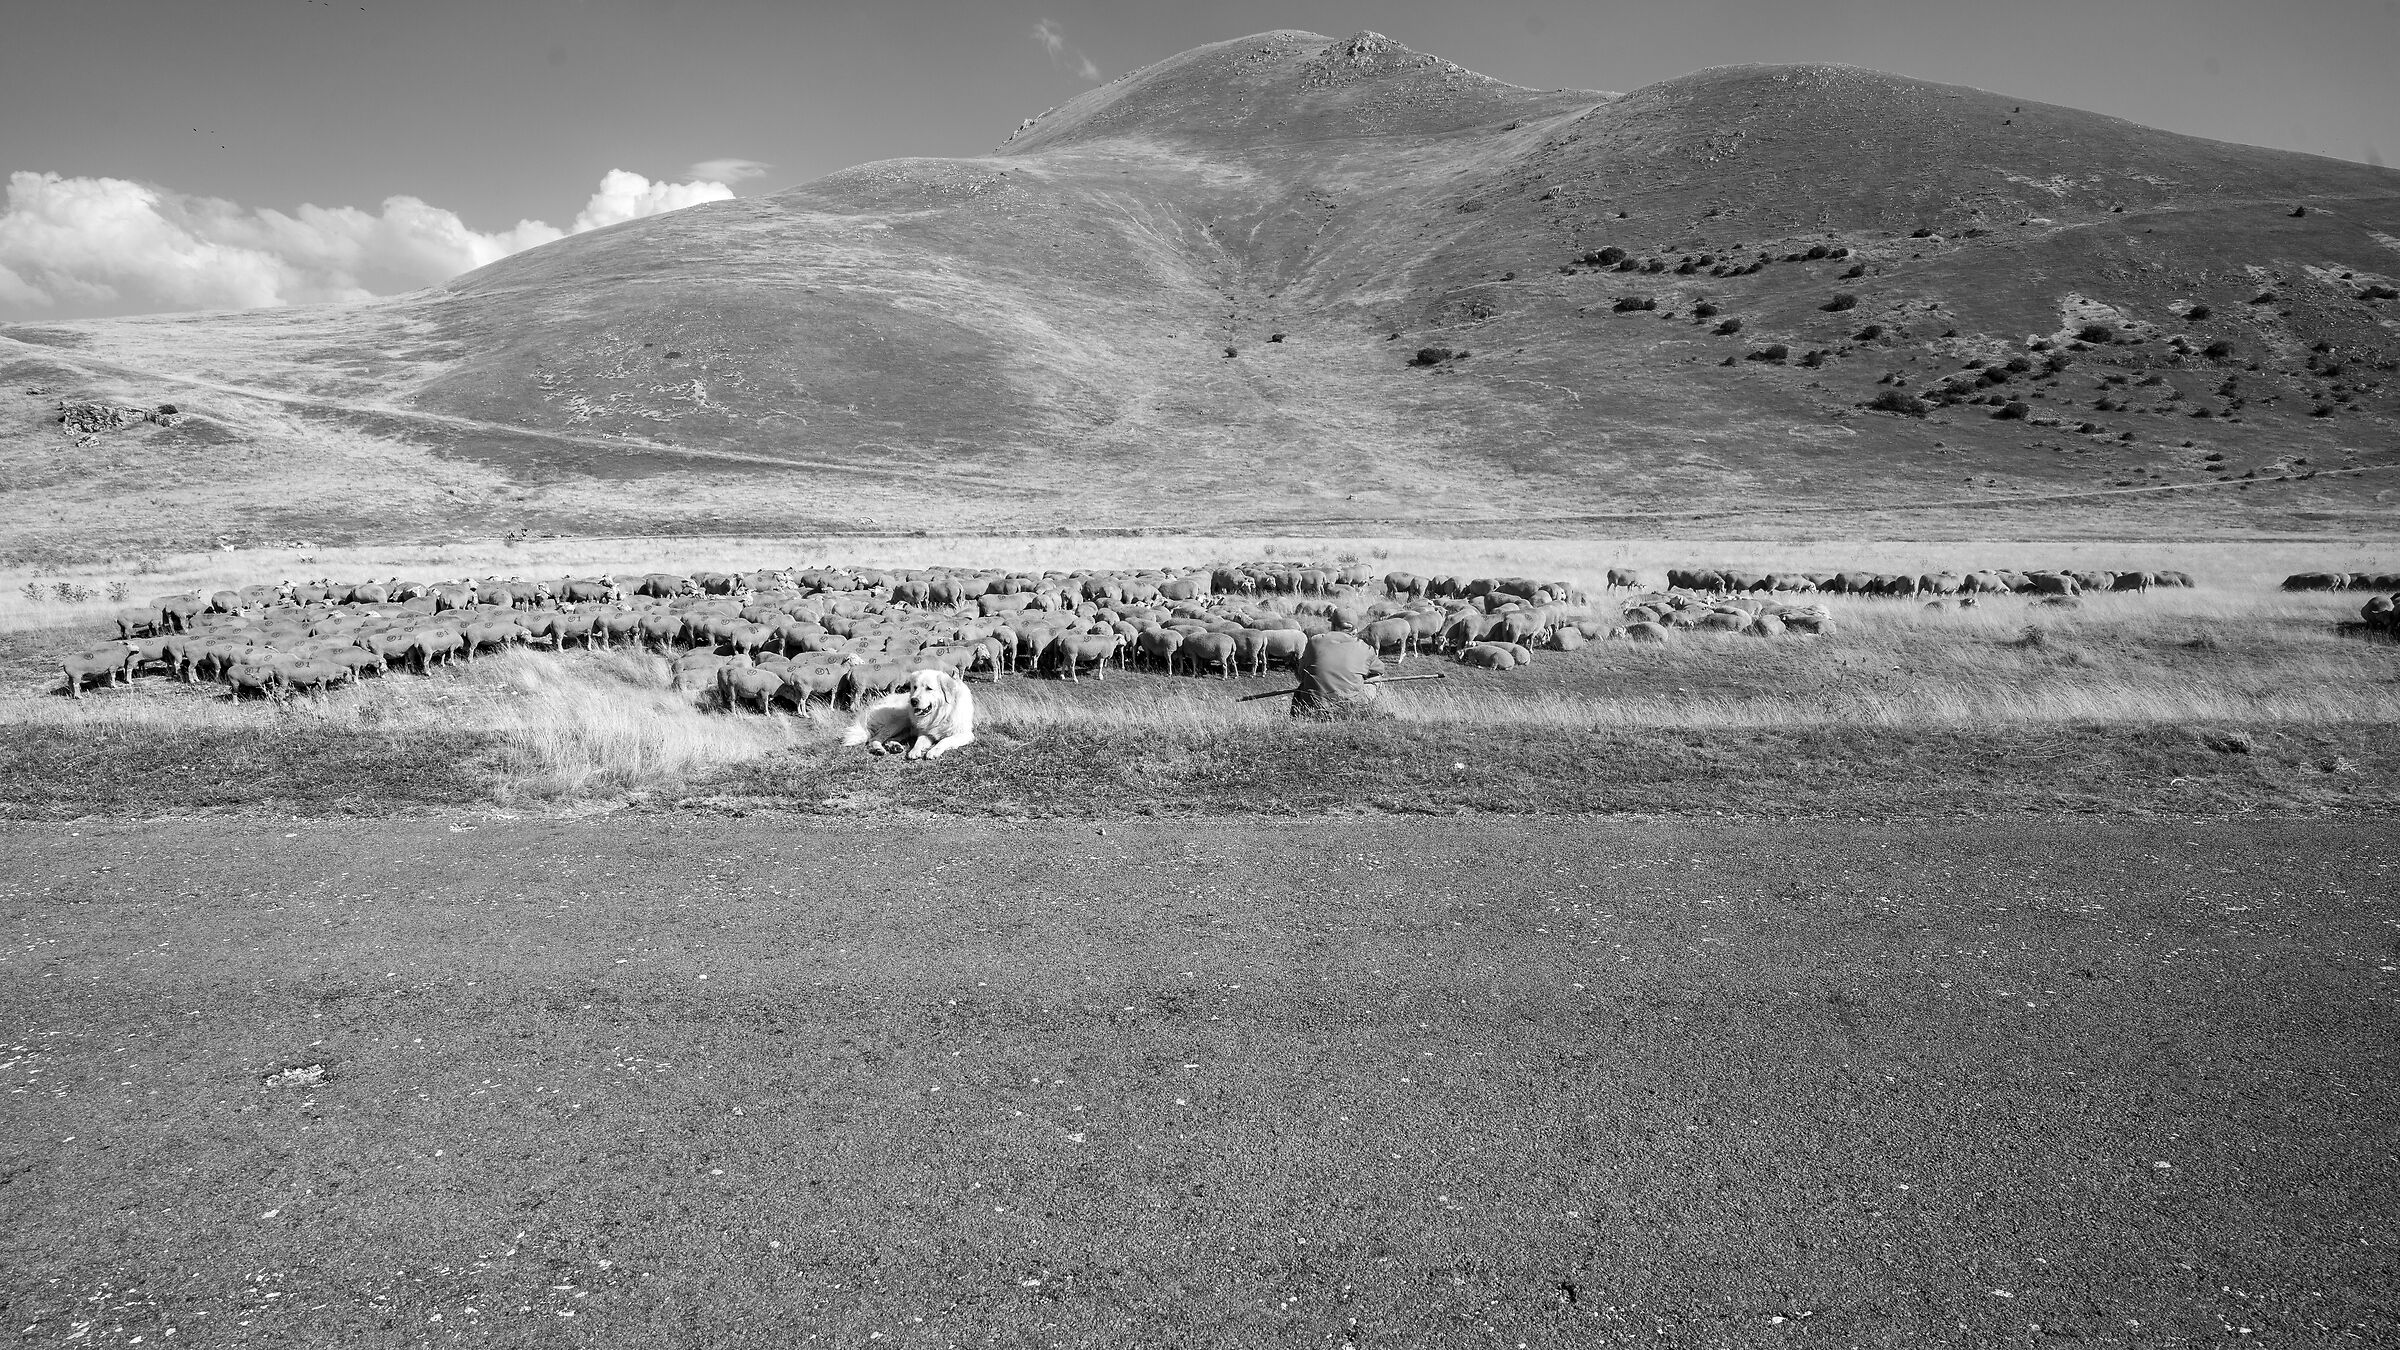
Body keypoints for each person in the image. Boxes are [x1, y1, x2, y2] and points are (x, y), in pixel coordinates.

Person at [1291, 630, 1387, 720]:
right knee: (1376, 678)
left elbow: (1301, 672)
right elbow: (1380, 670)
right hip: (1350, 707)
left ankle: (1296, 717)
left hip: (1313, 704)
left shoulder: (1314, 641)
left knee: (1305, 683)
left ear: (1333, 625)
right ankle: (1369, 713)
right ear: (1355, 630)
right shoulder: (1365, 648)